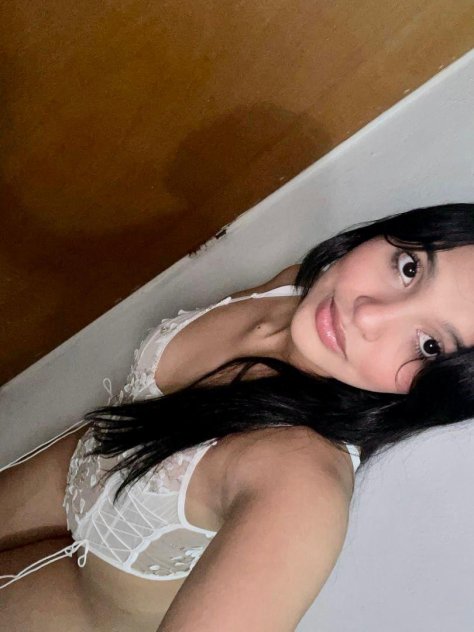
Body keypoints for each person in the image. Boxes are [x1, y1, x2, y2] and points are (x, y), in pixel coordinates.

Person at [0, 203, 473, 632]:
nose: (368, 316)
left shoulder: (302, 484)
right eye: (409, 268)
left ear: (430, 396)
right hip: (75, 465)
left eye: (429, 346)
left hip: (80, 604)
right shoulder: (296, 288)